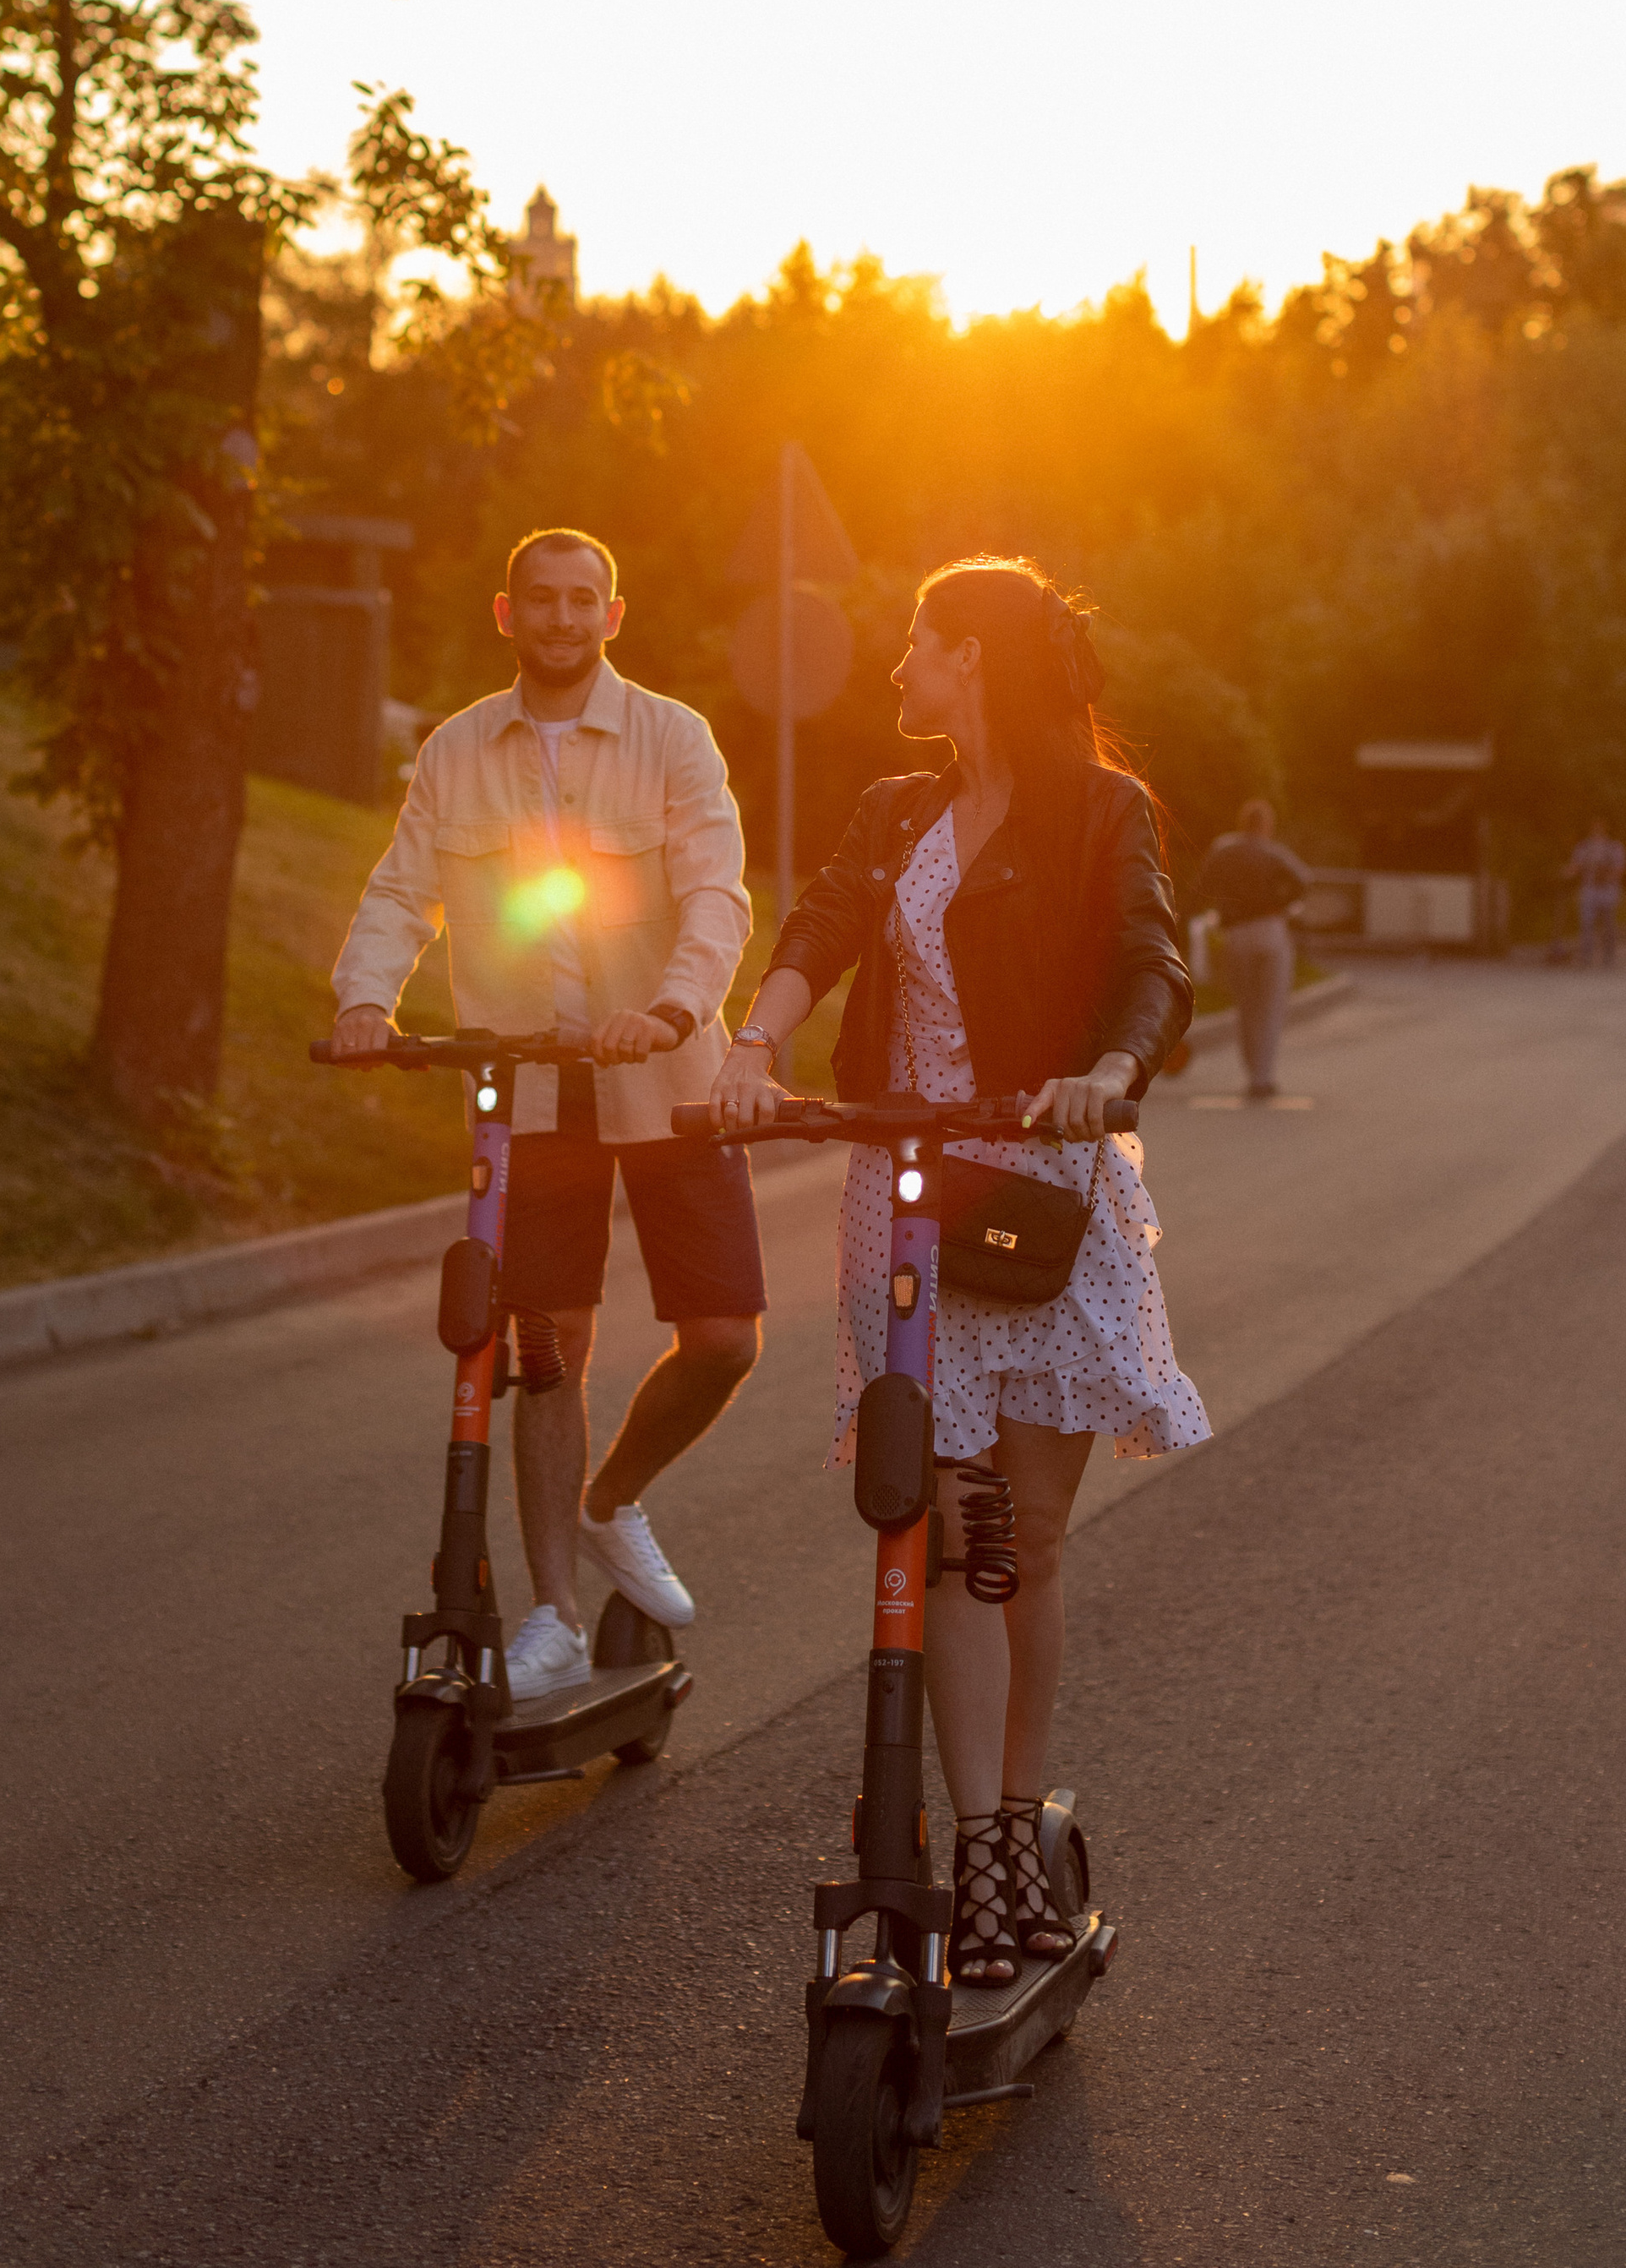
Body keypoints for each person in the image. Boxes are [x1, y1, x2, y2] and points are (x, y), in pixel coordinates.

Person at [711, 558, 1209, 1988]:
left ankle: (1003, 1833)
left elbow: (1151, 958)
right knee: (944, 1521)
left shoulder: (1104, 810)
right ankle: (979, 1828)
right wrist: (760, 1043)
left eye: (918, 647)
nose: (897, 673)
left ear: (974, 657)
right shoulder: (894, 809)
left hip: (1043, 1190)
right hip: (904, 1193)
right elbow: (821, 923)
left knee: (1024, 1539)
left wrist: (1111, 1071)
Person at [330, 528, 759, 1700]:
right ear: (507, 613)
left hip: (667, 1071)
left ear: (613, 616)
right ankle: (558, 1618)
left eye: (585, 601)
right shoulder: (458, 750)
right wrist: (368, 1001)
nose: (564, 619)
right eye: (543, 601)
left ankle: (611, 1503)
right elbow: (401, 889)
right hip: (533, 1083)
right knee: (548, 1347)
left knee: (725, 1338)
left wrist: (674, 1006)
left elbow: (717, 891)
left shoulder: (675, 737)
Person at [1192, 798, 1312, 1100]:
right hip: (1271, 929)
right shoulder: (1273, 852)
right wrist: (1281, 905)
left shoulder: (1224, 849)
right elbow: (1303, 881)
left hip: (1236, 933)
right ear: (1267, 826)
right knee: (1270, 1007)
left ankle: (1251, 1073)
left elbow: (1202, 885)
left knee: (1246, 1007)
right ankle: (1263, 1076)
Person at [1566, 819, 1626, 968]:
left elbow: (1621, 869)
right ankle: (1586, 956)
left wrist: (1608, 875)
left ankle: (1609, 956)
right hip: (1590, 888)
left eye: (1600, 828)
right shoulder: (1584, 847)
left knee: (1608, 923)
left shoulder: (1614, 847)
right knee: (1586, 923)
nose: (1597, 831)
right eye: (1595, 828)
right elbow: (1575, 866)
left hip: (1608, 889)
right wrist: (1566, 873)